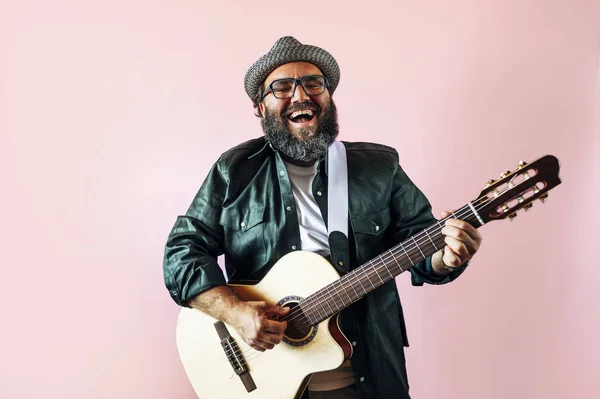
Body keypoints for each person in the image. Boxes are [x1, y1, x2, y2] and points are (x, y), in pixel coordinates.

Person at [163, 36, 483, 399]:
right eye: (282, 87)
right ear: (260, 107)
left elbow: (424, 247)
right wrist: (236, 313)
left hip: (369, 378)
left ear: (328, 97)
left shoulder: (380, 167)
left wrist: (447, 256)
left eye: (313, 83)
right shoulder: (233, 171)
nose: (300, 95)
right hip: (267, 383)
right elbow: (181, 254)